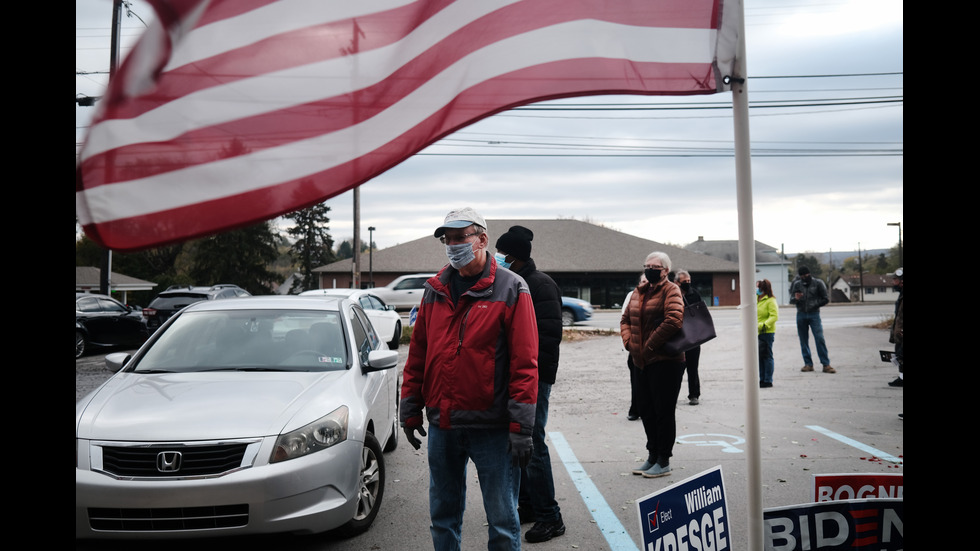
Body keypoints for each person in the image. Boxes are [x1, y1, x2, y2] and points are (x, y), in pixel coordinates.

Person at [400, 207, 539, 551]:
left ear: (482, 239)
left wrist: (522, 427)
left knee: (503, 520)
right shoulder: (435, 289)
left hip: (491, 428)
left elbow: (525, 363)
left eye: (460, 237)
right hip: (444, 425)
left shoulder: (512, 289)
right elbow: (418, 354)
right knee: (443, 517)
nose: (453, 245)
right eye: (447, 239)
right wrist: (409, 408)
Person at [494, 225, 565, 544]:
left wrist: (534, 378)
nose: (496, 259)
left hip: (534, 379)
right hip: (514, 378)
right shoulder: (513, 281)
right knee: (517, 443)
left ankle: (551, 517)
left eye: (501, 254)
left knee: (532, 442)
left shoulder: (540, 284)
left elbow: (547, 340)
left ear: (513, 257)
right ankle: (529, 506)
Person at [621, 251, 685, 478]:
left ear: (665, 270)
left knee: (663, 411)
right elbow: (625, 319)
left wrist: (648, 345)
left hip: (665, 362)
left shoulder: (671, 290)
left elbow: (674, 320)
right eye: (646, 265)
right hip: (641, 361)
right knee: (646, 410)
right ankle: (652, 455)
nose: (649, 269)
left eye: (654, 266)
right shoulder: (639, 292)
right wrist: (630, 343)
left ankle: (664, 460)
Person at [789, 266, 835, 373]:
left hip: (814, 314)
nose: (804, 277)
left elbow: (825, 299)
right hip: (801, 314)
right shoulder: (797, 284)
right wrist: (796, 298)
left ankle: (826, 364)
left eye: (806, 275)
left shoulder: (818, 283)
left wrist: (814, 305)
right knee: (803, 340)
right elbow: (791, 300)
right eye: (802, 276)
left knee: (819, 338)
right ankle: (808, 364)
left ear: (809, 274)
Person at [621, 274, 647, 421]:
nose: (645, 283)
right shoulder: (632, 296)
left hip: (653, 349)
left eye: (647, 281)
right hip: (636, 348)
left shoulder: (660, 296)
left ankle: (648, 410)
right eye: (643, 281)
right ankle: (635, 409)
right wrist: (628, 342)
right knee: (636, 381)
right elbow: (624, 320)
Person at [675, 270, 702, 405]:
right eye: (684, 282)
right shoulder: (672, 294)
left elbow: (701, 313)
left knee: (693, 367)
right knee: (677, 368)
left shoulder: (694, 293)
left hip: (693, 336)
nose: (687, 284)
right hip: (678, 337)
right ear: (677, 282)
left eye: (689, 281)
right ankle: (672, 394)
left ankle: (694, 395)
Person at [757, 279, 779, 388]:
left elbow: (774, 316)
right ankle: (761, 379)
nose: (756, 290)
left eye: (758, 288)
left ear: (763, 289)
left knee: (767, 356)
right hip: (756, 332)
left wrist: (764, 325)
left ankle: (768, 380)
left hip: (766, 332)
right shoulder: (757, 299)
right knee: (760, 356)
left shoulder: (770, 300)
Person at [888, 268, 903, 387]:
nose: (893, 282)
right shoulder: (901, 296)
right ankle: (902, 378)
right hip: (900, 333)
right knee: (899, 354)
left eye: (895, 279)